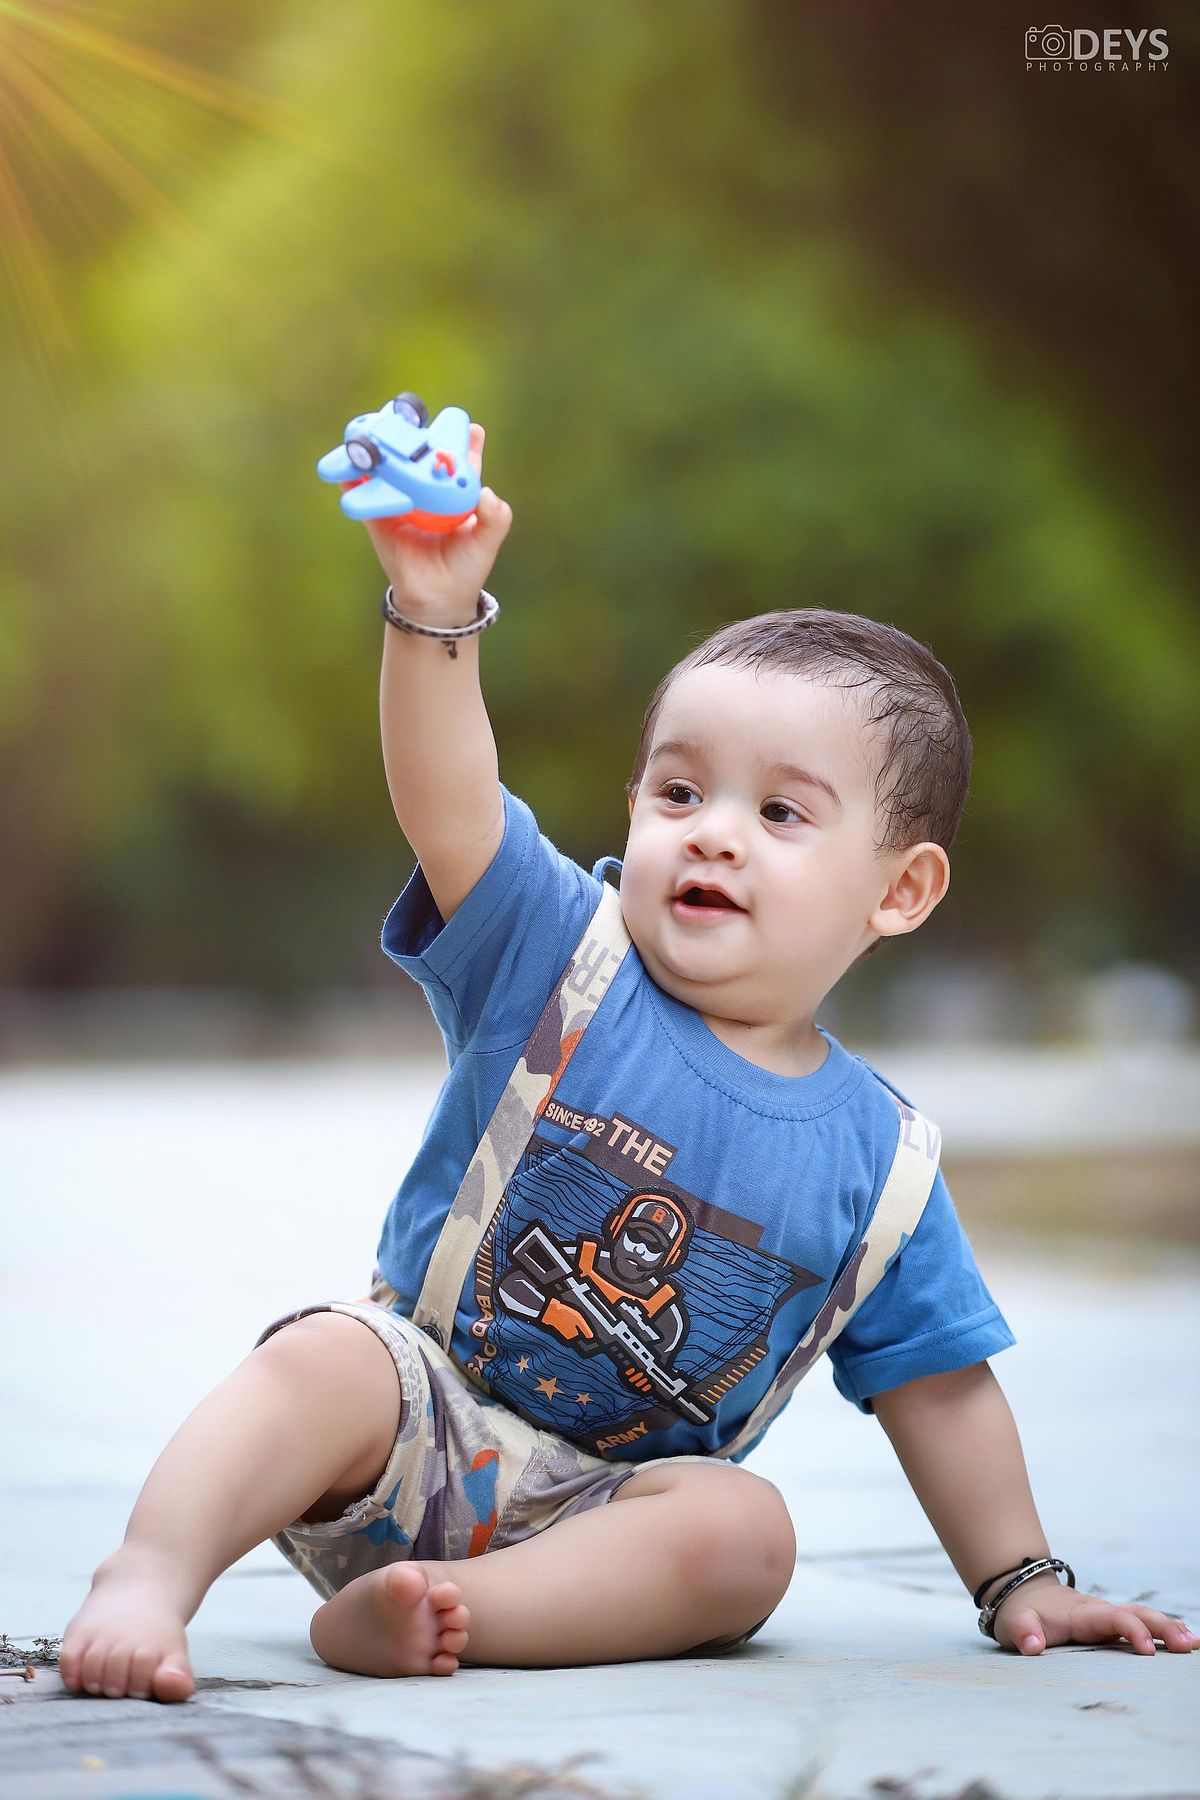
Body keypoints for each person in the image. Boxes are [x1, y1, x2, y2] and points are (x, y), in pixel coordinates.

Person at [60, 423, 1197, 1703]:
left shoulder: (880, 1164)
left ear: (901, 889)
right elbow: (450, 797)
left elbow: (941, 1390)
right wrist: (435, 616)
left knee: (746, 1534)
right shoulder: (558, 954)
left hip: (602, 1522)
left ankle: (439, 1616)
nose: (713, 836)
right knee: (323, 1353)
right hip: (412, 1424)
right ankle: (150, 1576)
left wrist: (1020, 1580)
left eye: (779, 813)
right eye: (678, 793)